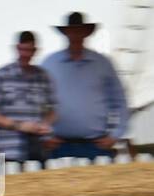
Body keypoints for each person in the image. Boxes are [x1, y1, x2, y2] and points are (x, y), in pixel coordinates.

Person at [40, 12, 128, 160]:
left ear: (86, 33)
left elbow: (119, 101)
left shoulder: (103, 63)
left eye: (79, 30)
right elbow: (37, 102)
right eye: (72, 31)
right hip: (59, 145)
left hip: (96, 145)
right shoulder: (50, 63)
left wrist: (115, 134)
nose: (76, 34)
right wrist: (44, 135)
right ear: (66, 33)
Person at [0, 31, 56, 163]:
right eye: (23, 49)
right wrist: (19, 126)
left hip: (37, 150)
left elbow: (53, 111)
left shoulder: (43, 76)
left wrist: (45, 124)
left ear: (35, 51)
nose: (26, 54)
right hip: (10, 152)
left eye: (30, 50)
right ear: (16, 48)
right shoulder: (2, 75)